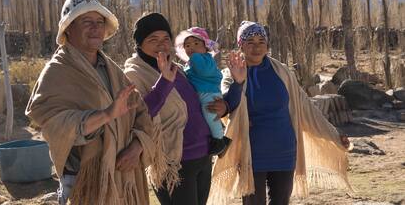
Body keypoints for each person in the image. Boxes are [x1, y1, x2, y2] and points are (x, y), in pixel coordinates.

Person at [25, 0, 154, 205]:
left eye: (100, 22)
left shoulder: (112, 70)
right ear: (69, 28)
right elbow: (52, 124)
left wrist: (137, 147)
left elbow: (141, 112)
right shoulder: (57, 73)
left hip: (125, 179)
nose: (95, 28)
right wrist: (106, 115)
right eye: (86, 22)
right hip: (85, 183)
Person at [207, 21, 352, 205]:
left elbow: (306, 109)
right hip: (252, 154)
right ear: (240, 45)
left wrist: (335, 135)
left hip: (284, 152)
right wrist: (239, 82)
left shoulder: (282, 71)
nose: (257, 47)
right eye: (250, 41)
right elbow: (229, 105)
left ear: (267, 45)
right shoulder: (230, 73)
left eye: (261, 41)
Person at [124, 13, 240, 205]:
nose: (161, 44)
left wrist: (230, 94)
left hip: (202, 156)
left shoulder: (177, 68)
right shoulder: (133, 74)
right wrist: (164, 82)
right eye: (153, 39)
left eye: (166, 39)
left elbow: (202, 98)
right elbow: (138, 115)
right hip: (174, 164)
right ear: (140, 44)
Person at [175, 27, 231, 156]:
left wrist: (194, 59)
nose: (191, 48)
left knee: (210, 114)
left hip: (208, 93)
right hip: (202, 92)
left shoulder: (205, 59)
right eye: (187, 45)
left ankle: (219, 140)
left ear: (205, 47)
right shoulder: (192, 62)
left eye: (196, 44)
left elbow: (203, 72)